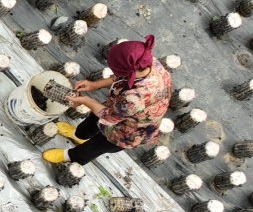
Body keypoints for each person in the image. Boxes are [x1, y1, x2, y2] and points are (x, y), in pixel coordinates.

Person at [44, 36, 173, 165]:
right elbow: (119, 78)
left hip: (129, 131)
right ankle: (78, 135)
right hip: (119, 107)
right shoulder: (147, 62)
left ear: (128, 73)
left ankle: (72, 156)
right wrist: (95, 85)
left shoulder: (133, 98)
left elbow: (107, 116)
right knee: (92, 120)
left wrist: (85, 101)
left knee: (95, 146)